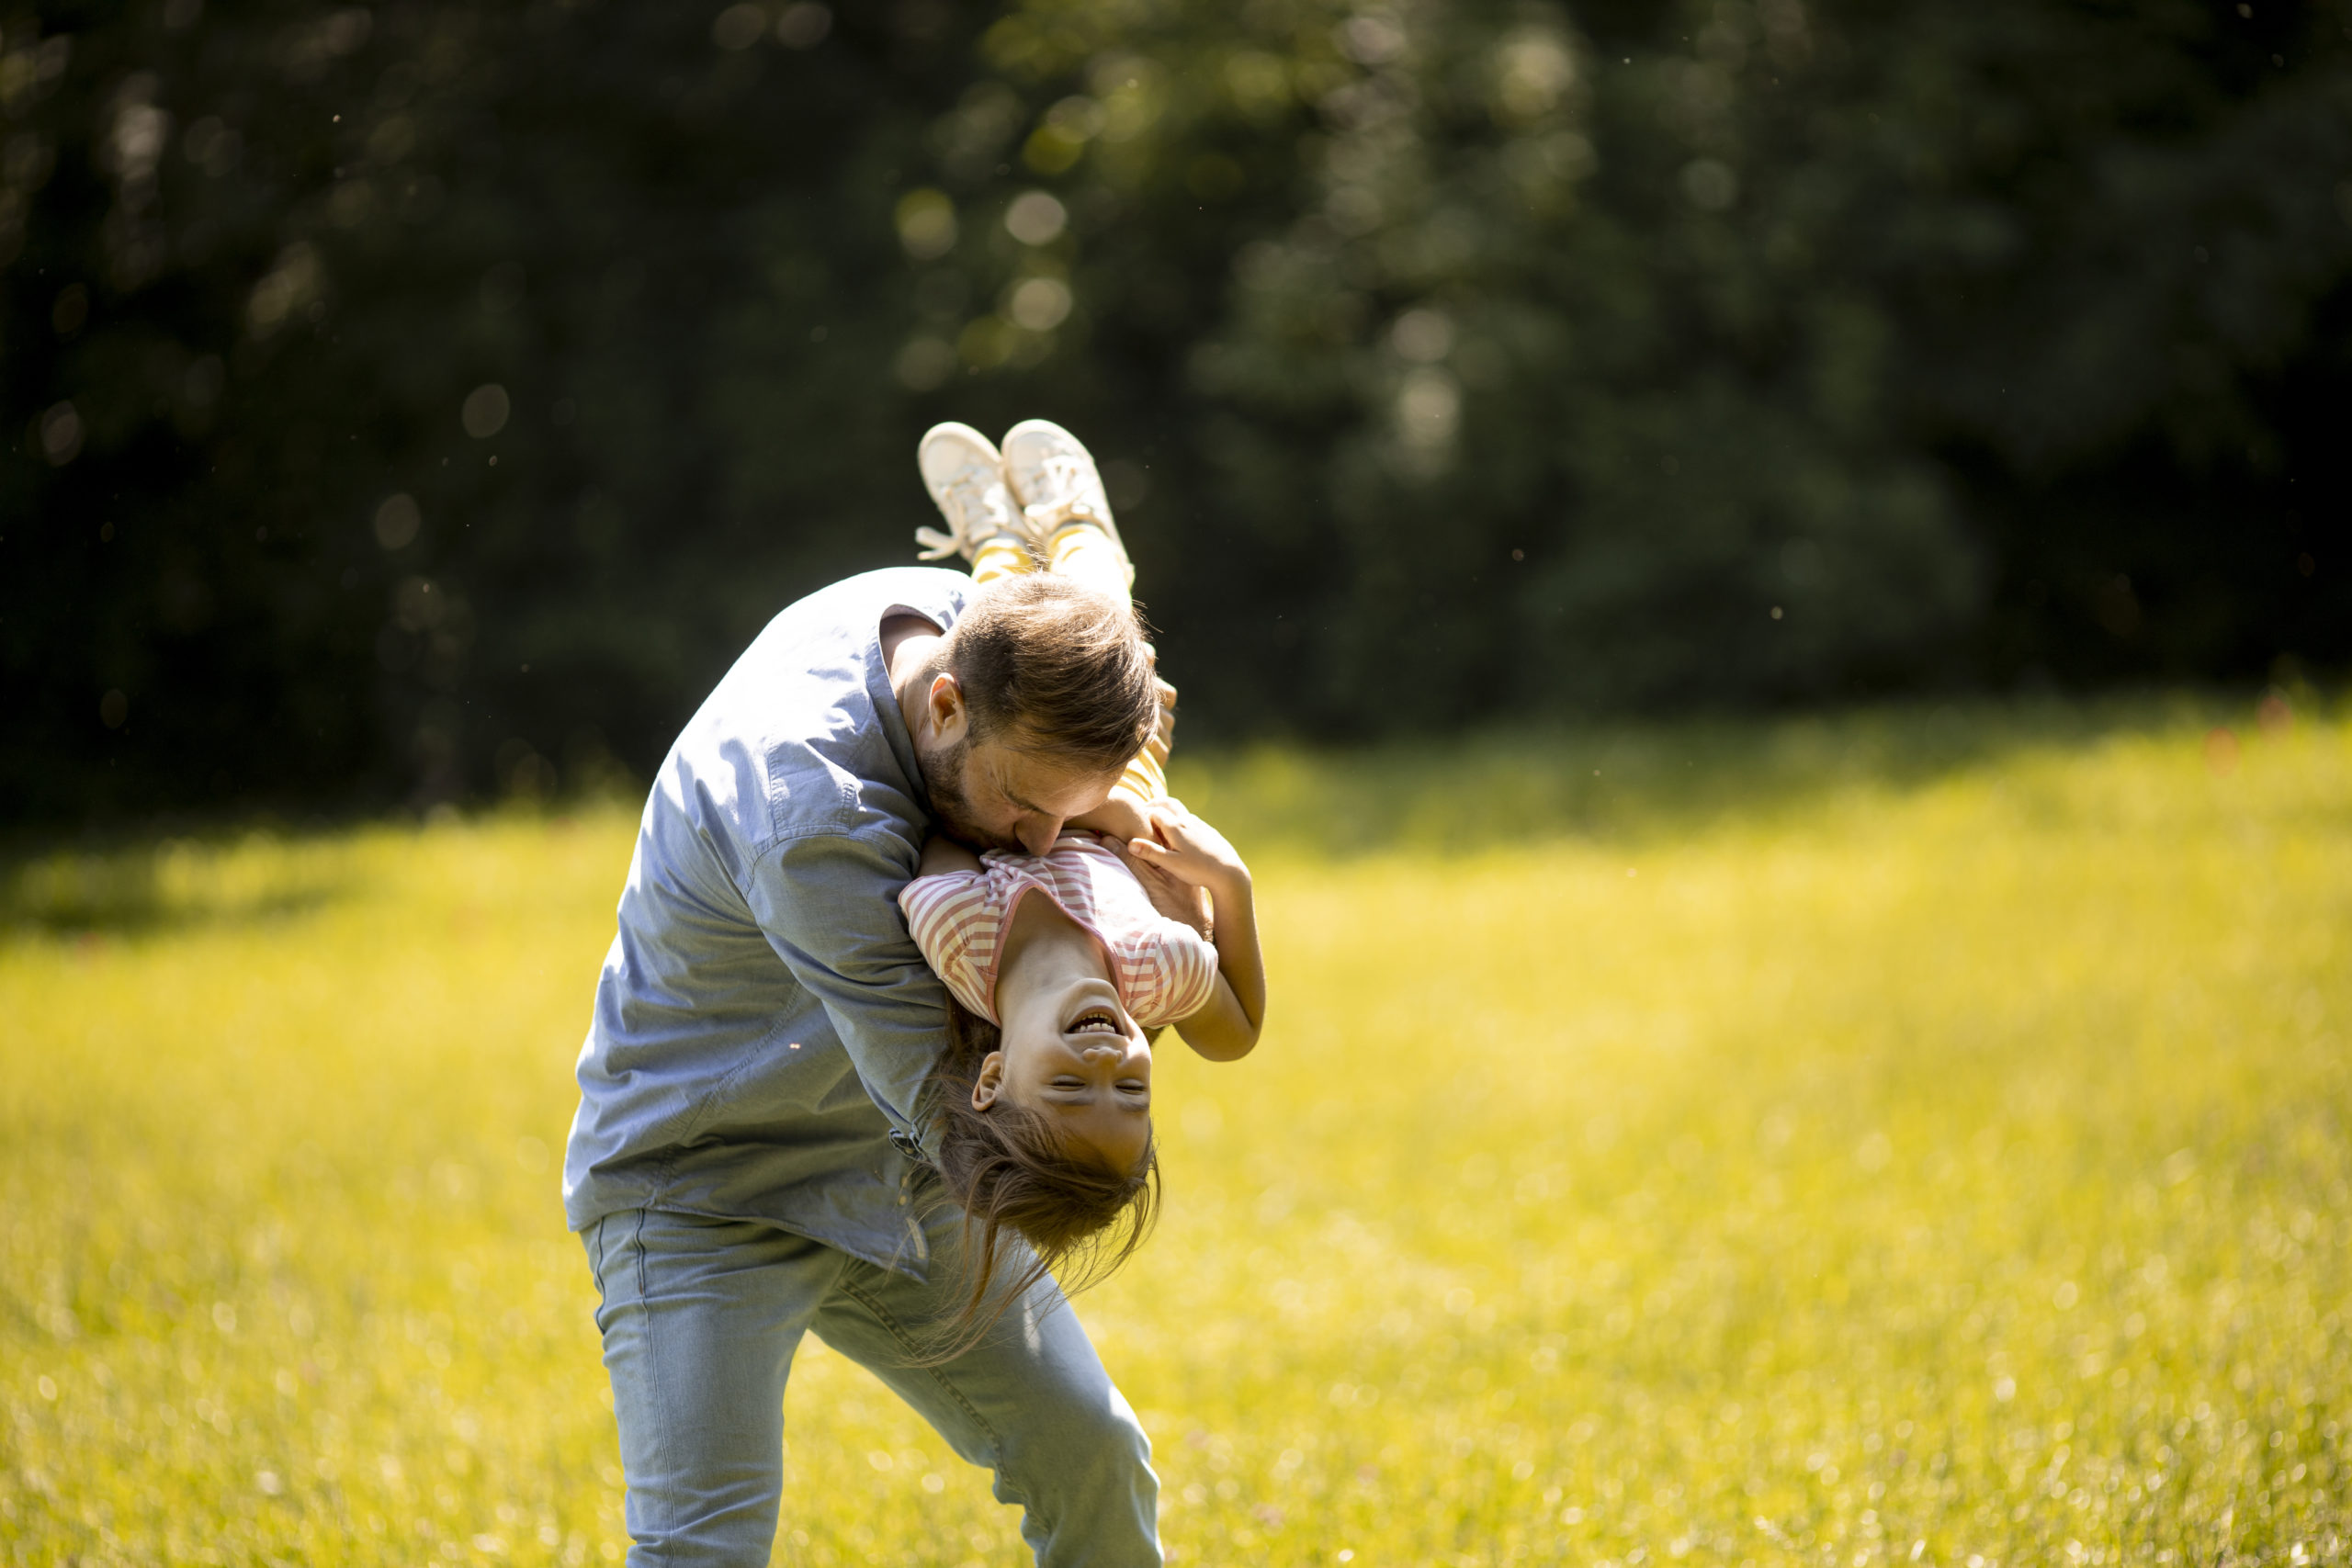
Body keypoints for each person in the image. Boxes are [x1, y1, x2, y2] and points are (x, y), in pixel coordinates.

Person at [561, 418, 1174, 1566]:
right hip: (705, 1186)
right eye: (1024, 808)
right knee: (703, 1547)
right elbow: (956, 1084)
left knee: (1091, 1455)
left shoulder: (970, 635)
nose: (1046, 842)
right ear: (943, 707)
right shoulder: (810, 811)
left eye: (1063, 811)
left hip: (892, 1170)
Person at [894, 420, 1268, 1341]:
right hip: (1120, 781)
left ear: (990, 1079)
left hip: (1047, 795)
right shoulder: (1159, 978)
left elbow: (943, 824)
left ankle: (992, 547)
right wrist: (1233, 888)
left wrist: (1081, 820)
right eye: (1133, 1094)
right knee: (1097, 630)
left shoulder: (958, 938)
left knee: (1010, 654)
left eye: (1069, 1090)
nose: (1109, 1064)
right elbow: (1239, 1035)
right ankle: (1075, 524)